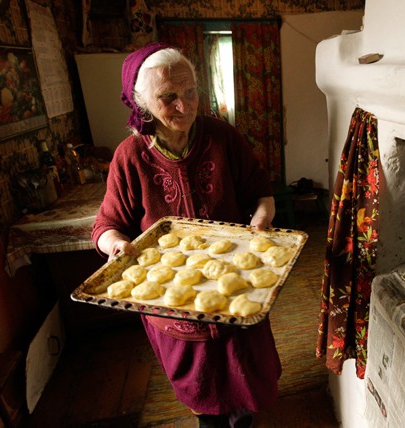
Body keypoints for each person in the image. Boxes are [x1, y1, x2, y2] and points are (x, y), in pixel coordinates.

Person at [92, 42, 280, 428]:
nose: (185, 105)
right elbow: (106, 225)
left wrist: (260, 221)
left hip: (235, 284)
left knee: (244, 375)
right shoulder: (130, 156)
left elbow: (261, 192)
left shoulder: (222, 138)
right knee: (201, 388)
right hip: (172, 301)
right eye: (169, 97)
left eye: (191, 91)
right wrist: (117, 244)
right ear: (142, 103)